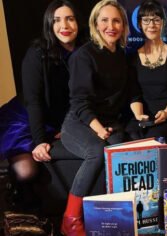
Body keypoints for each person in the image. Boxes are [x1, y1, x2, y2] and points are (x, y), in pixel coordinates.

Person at [60, 1, 131, 235]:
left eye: (116, 20)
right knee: (97, 152)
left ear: (123, 25)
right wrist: (100, 130)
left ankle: (116, 217)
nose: (111, 26)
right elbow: (80, 103)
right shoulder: (84, 56)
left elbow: (132, 93)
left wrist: (139, 113)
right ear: (95, 24)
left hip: (109, 122)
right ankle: (70, 219)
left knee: (122, 154)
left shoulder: (122, 56)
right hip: (80, 123)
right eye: (105, 20)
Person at [0, 0, 83, 182]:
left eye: (70, 19)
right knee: (25, 171)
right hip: (24, 120)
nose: (64, 25)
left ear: (78, 22)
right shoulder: (37, 53)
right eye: (57, 20)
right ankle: (14, 199)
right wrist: (39, 141)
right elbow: (33, 101)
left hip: (57, 121)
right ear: (49, 24)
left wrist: (67, 126)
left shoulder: (86, 52)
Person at [127, 0, 167, 143]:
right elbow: (134, 95)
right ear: (140, 24)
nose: (151, 25)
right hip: (142, 118)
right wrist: (139, 115)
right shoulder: (132, 58)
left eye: (156, 20)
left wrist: (166, 112)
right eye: (146, 20)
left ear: (163, 23)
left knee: (152, 140)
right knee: (129, 137)